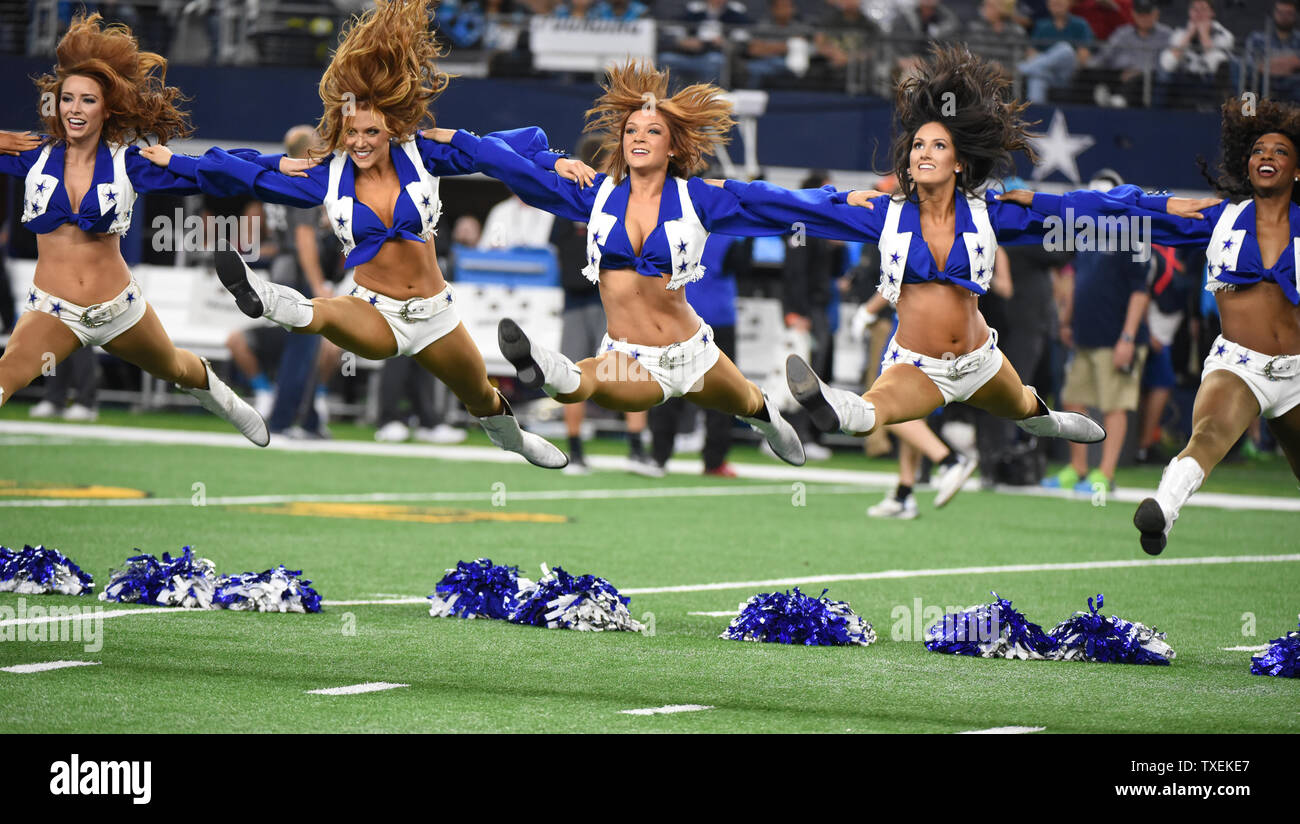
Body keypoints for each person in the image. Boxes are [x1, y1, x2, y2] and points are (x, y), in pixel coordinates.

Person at [148, 0, 566, 467]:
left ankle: (515, 440)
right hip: (375, 311)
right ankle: (264, 297)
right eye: (351, 132)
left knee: (482, 397)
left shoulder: (424, 155)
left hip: (436, 316)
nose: (360, 141)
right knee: (323, 313)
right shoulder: (329, 174)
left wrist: (553, 161)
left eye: (371, 131)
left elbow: (496, 150)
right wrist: (181, 161)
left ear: (392, 126)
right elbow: (249, 175)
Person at [717, 46, 1123, 458]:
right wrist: (719, 190)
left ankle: (1051, 422)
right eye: (917, 146)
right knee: (869, 412)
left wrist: (1168, 208)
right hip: (919, 365)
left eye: (938, 146)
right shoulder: (881, 212)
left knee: (1025, 409)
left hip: (981, 359)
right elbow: (792, 204)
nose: (924, 152)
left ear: (960, 162)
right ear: (908, 162)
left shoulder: (991, 213)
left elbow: (1083, 210)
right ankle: (831, 403)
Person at [427, 60, 806, 465]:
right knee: (583, 379)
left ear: (674, 145)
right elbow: (509, 164)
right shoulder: (597, 196)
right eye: (631, 131)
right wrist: (461, 139)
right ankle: (542, 366)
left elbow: (778, 203)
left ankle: (769, 421)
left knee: (746, 400)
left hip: (694, 352)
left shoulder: (699, 196)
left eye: (653, 131)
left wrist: (852, 204)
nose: (639, 137)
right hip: (630, 357)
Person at [1033, 98, 1300, 553]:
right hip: (1241, 366)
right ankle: (1162, 509)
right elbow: (1125, 208)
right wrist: (1042, 202)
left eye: (1279, 151)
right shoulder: (1219, 219)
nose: (1266, 157)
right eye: (1258, 150)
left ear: (1297, 170)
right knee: (1209, 433)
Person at [0, 14, 266, 444]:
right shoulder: (33, 157)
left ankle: (222, 397)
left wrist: (276, 165)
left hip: (119, 309)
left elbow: (211, 171)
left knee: (176, 368)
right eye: (67, 99)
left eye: (87, 100)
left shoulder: (130, 163)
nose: (74, 109)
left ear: (106, 108)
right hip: (52, 310)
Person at [1043, 168, 1152, 493]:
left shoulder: (1134, 236)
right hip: (1084, 335)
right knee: (1073, 399)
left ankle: (1105, 474)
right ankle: (1078, 468)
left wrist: (1128, 338)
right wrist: (1066, 321)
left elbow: (1140, 292)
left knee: (1113, 405)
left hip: (1117, 337)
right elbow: (1077, 281)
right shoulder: (1086, 234)